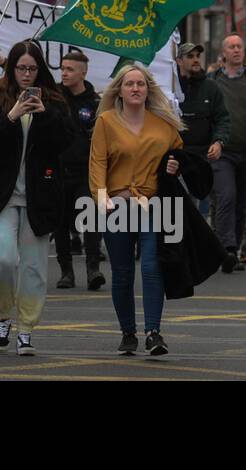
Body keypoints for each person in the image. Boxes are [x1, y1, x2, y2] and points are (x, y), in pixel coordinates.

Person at [0, 41, 70, 355]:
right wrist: (11, 116)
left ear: (40, 70)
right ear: (11, 68)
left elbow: (67, 141)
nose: (26, 74)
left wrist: (45, 115)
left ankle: (26, 329)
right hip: (0, 196)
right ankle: (3, 316)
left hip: (39, 197)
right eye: (21, 68)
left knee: (34, 268)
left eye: (32, 68)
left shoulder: (53, 100)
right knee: (2, 258)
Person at [90, 64, 184, 356]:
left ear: (148, 89)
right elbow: (98, 162)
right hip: (117, 204)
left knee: (152, 266)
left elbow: (179, 155)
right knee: (122, 272)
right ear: (119, 89)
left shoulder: (164, 124)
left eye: (141, 84)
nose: (135, 89)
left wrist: (174, 165)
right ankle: (128, 332)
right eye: (129, 84)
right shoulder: (105, 121)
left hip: (152, 203)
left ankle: (154, 332)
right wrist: (102, 198)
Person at [47, 47, 105, 290]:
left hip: (86, 171)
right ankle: (66, 271)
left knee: (89, 216)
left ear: (83, 73)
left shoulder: (96, 103)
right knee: (60, 222)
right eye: (62, 69)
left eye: (70, 69)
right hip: (59, 170)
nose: (65, 73)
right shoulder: (54, 99)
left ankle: (93, 269)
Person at [209, 34, 246, 267]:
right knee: (226, 196)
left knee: (242, 202)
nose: (236, 50)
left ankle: (232, 248)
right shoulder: (213, 80)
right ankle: (228, 247)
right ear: (223, 52)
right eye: (232, 47)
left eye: (239, 47)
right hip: (222, 151)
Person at [175, 42, 233, 269]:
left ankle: (199, 252)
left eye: (198, 55)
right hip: (177, 157)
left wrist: (219, 141)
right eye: (190, 56)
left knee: (201, 208)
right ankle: (184, 252)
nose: (196, 59)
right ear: (179, 61)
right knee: (182, 207)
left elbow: (223, 119)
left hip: (202, 160)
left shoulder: (211, 88)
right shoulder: (170, 88)